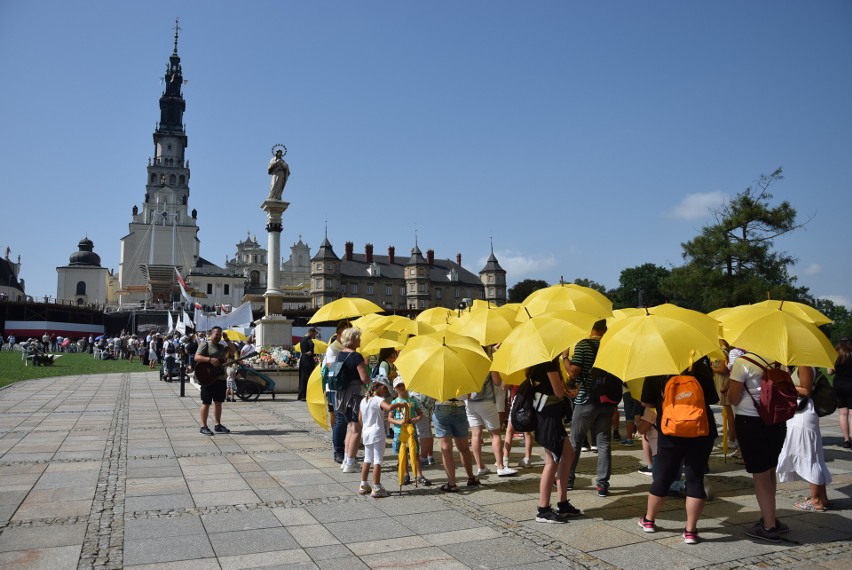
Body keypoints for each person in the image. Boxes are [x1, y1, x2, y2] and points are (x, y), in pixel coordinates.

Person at [638, 361, 718, 544]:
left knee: (664, 477)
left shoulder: (658, 365)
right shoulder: (700, 365)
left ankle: (649, 520)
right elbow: (712, 399)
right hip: (701, 429)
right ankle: (691, 531)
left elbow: (646, 401)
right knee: (695, 477)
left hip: (671, 431)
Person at [728, 351, 789, 543]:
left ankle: (768, 526)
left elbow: (733, 398)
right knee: (770, 470)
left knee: (760, 474)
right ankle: (770, 516)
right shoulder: (778, 360)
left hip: (750, 421)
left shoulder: (742, 363)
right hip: (776, 420)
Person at [527, 356, 581, 523]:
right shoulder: (548, 363)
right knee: (552, 461)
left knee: (568, 455)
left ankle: (562, 503)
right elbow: (557, 392)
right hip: (548, 416)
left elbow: (553, 389)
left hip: (548, 415)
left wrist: (566, 392)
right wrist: (564, 392)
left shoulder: (538, 363)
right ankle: (543, 509)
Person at [565, 320, 613, 496]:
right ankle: (602, 484)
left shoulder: (583, 345)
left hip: (586, 399)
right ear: (604, 330)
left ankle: (568, 479)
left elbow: (573, 371)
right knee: (603, 442)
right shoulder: (611, 345)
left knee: (575, 440)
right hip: (606, 399)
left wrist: (564, 357)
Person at [777, 365, 831, 511]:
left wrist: (783, 387)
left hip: (803, 414)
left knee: (808, 457)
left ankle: (816, 500)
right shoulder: (801, 364)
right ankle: (822, 497)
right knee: (814, 456)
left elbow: (806, 390)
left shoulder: (804, 364)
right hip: (802, 413)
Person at [358, 378, 406, 498]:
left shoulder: (364, 400)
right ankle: (377, 486)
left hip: (367, 432)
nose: (386, 392)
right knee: (378, 460)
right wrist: (400, 403)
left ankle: (363, 484)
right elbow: (389, 407)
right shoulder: (378, 400)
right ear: (380, 387)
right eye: (385, 389)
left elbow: (360, 418)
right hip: (377, 432)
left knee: (367, 459)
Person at [332, 328, 371, 473]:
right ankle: (350, 463)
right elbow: (365, 378)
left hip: (341, 395)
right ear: (353, 340)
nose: (360, 340)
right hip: (354, 396)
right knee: (356, 429)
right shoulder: (356, 356)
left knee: (350, 427)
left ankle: (347, 460)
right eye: (358, 338)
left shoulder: (339, 354)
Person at [465, 372, 518, 477]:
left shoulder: (466, 361)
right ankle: (500, 467)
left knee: (475, 435)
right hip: (486, 401)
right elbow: (498, 382)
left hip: (470, 402)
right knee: (495, 434)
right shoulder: (487, 362)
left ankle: (480, 467)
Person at [389, 377, 431, 486]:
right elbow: (390, 418)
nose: (402, 387)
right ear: (395, 389)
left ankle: (419, 475)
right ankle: (406, 474)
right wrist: (398, 422)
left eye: (403, 385)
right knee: (403, 453)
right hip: (399, 431)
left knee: (415, 452)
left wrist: (416, 419)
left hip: (411, 430)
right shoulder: (394, 402)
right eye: (399, 386)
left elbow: (420, 414)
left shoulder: (412, 400)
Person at [432, 396, 479, 493]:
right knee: (464, 448)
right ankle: (470, 478)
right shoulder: (463, 379)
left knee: (446, 449)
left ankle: (452, 484)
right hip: (459, 407)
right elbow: (468, 395)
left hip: (442, 407)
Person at [195, 326, 235, 436]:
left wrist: (227, 340)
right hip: (207, 378)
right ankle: (203, 426)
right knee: (206, 402)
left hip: (220, 378)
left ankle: (218, 425)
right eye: (216, 334)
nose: (218, 336)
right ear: (211, 334)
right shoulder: (205, 344)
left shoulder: (222, 346)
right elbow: (197, 357)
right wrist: (210, 359)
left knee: (218, 402)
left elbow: (234, 350)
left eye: (220, 334)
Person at [828, 338, 852, 448]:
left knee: (843, 413)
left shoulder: (835, 355)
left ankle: (846, 440)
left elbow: (829, 372)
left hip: (839, 386)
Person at [297, 328, 318, 401]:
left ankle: (303, 394)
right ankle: (305, 394)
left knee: (304, 376)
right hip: (307, 360)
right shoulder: (307, 339)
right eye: (314, 333)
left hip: (305, 358)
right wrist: (310, 352)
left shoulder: (303, 339)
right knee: (307, 376)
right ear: (311, 333)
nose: (315, 335)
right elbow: (309, 349)